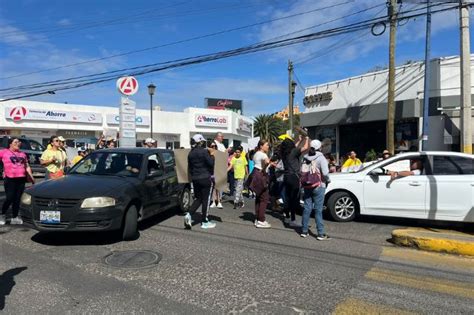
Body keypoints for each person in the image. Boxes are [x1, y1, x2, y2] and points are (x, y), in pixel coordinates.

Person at [183, 134, 216, 229]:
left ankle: (189, 215)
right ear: (200, 142)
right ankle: (205, 221)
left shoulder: (190, 153)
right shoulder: (204, 152)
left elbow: (190, 168)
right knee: (206, 199)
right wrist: (212, 155)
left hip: (195, 179)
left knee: (198, 198)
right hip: (206, 178)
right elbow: (211, 164)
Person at [0, 137, 35, 225]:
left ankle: (14, 217)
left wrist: (31, 177)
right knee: (9, 198)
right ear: (10, 144)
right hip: (10, 178)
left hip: (21, 178)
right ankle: (2, 214)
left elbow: (27, 166)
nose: (18, 143)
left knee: (17, 199)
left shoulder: (22, 154)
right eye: (15, 142)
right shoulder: (4, 152)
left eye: (19, 142)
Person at [300, 140, 330, 240]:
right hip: (319, 185)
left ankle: (304, 231)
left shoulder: (305, 157)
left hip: (307, 185)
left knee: (307, 208)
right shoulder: (321, 158)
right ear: (320, 147)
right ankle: (320, 233)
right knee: (318, 210)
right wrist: (328, 180)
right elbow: (325, 173)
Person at [280, 134, 310, 227]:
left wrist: (299, 141)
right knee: (294, 199)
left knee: (287, 198)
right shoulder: (293, 151)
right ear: (291, 145)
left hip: (286, 176)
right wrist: (307, 139)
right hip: (294, 177)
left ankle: (287, 217)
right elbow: (305, 147)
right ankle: (293, 220)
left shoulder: (284, 152)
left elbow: (295, 147)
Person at [250, 139, 273, 228]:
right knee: (264, 198)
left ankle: (257, 217)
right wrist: (269, 163)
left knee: (259, 197)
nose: (268, 147)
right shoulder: (263, 154)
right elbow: (267, 162)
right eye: (266, 145)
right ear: (261, 146)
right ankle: (261, 220)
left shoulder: (256, 153)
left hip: (255, 173)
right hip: (261, 175)